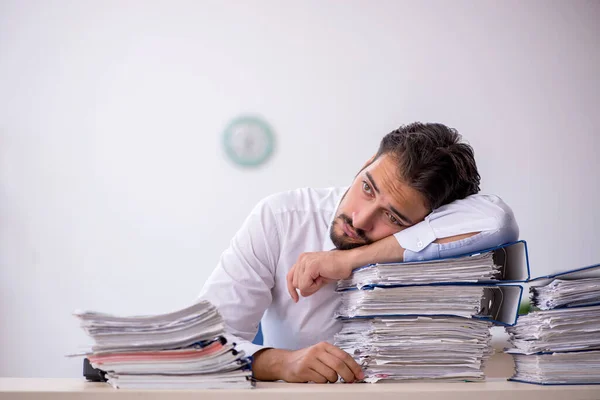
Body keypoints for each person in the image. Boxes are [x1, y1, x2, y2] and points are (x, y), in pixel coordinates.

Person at [198, 122, 519, 383]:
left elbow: (497, 220)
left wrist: (348, 259)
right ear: (366, 164)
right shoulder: (282, 219)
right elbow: (206, 342)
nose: (360, 219)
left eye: (393, 217)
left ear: (427, 222)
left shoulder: (443, 234)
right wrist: (281, 363)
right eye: (367, 188)